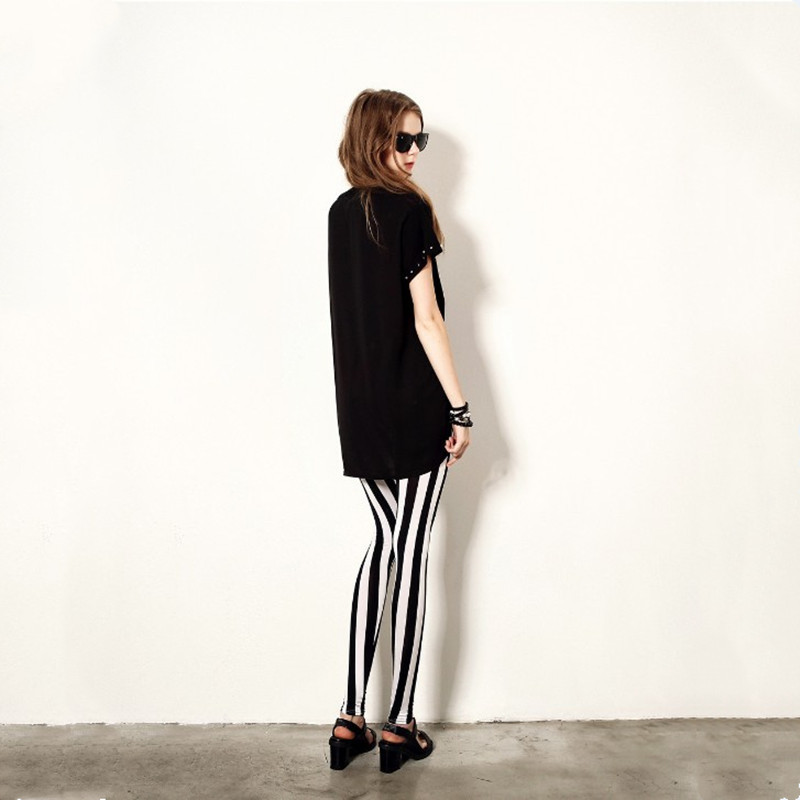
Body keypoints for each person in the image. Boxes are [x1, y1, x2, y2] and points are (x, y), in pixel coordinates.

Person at [327, 89, 472, 774]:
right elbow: (426, 319)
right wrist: (460, 409)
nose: (413, 153)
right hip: (413, 407)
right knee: (410, 552)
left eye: (420, 140)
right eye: (401, 140)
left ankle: (349, 718)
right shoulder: (408, 211)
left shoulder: (339, 213)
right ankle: (400, 723)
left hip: (359, 411)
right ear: (374, 138)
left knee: (386, 542)